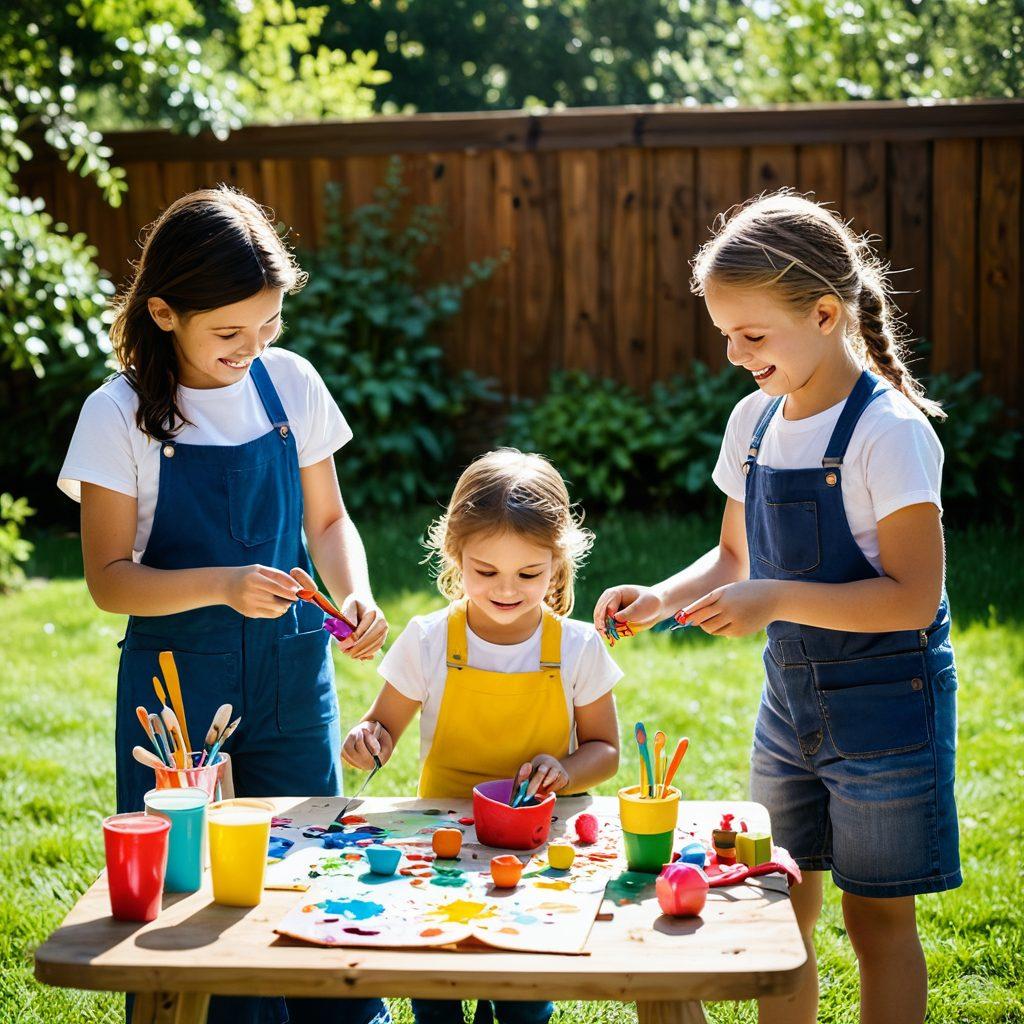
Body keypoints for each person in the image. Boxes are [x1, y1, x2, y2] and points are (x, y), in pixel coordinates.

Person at [594, 191, 960, 1024]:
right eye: (724, 332)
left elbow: (914, 599)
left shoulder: (890, 433)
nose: (732, 353)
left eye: (751, 335)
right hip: (789, 711)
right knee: (777, 907)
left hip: (885, 716)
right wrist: (660, 599)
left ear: (827, 313)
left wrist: (775, 599)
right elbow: (733, 557)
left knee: (877, 920)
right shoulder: (753, 422)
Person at [59, 186, 390, 1024]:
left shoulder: (291, 385)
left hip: (291, 677)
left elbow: (328, 517)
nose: (253, 348)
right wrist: (220, 583)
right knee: (191, 892)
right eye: (229, 333)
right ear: (164, 312)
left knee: (313, 869)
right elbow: (107, 577)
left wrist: (353, 592)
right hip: (176, 689)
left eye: (268, 327)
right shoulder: (117, 414)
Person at [344, 449, 621, 1024]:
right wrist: (366, 739)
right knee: (438, 989)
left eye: (529, 574)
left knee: (521, 995)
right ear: (454, 553)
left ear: (558, 562)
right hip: (442, 841)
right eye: (485, 571)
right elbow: (382, 727)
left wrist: (567, 768)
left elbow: (607, 751)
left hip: (536, 843)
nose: (506, 589)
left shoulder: (576, 647)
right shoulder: (426, 640)